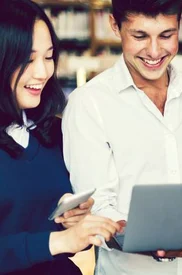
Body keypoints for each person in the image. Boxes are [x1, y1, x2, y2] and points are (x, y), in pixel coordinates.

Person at [61, 0, 182, 274]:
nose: (154, 51)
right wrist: (158, 241)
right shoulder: (88, 103)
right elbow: (98, 207)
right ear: (115, 26)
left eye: (166, 35)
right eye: (140, 36)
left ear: (180, 25)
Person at [0, 0, 121, 274]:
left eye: (48, 56)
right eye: (27, 60)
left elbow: (68, 242)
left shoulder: (53, 132)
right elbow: (49, 243)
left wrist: (72, 223)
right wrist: (57, 240)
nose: (42, 72)